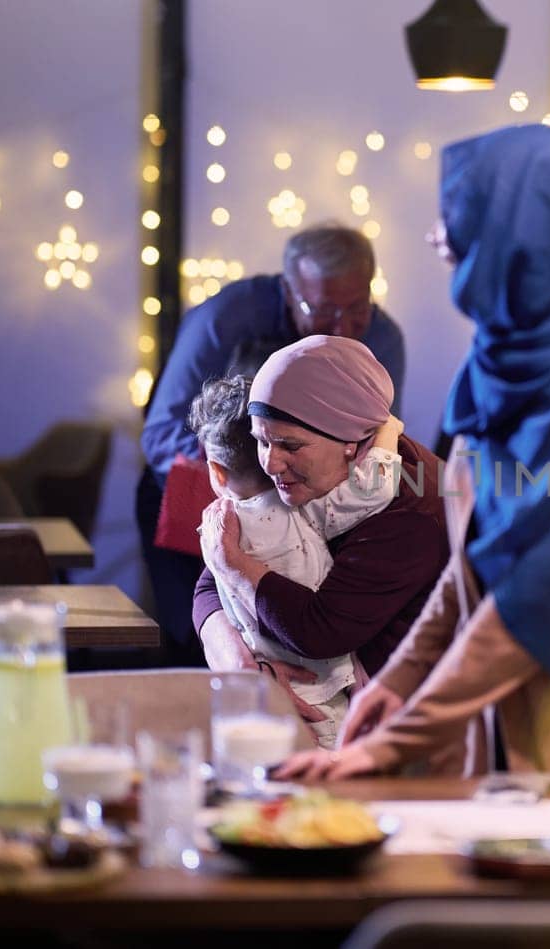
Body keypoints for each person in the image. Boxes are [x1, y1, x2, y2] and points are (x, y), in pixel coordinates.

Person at [277, 124, 550, 783]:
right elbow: (474, 565)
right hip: (512, 743)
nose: (442, 240)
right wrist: (401, 679)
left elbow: (537, 594)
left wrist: (397, 737)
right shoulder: (498, 369)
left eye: (464, 220)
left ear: (529, 238)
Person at [137, 224, 406, 665]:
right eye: (324, 310)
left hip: (316, 505)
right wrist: (250, 494)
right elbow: (162, 434)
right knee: (197, 645)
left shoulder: (384, 338)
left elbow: (379, 437)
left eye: (357, 308)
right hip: (205, 494)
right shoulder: (223, 319)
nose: (343, 327)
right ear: (288, 290)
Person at [194, 336, 447, 709]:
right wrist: (240, 663)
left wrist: (232, 564)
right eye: (261, 442)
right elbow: (209, 584)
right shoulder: (310, 476)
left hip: (406, 723)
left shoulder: (408, 511)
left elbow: (320, 630)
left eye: (290, 446)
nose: (270, 463)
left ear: (351, 440)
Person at [188, 375, 403, 748]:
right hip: (321, 691)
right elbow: (376, 487)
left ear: (216, 471)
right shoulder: (304, 507)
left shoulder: (216, 529)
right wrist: (388, 427)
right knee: (325, 775)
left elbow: (206, 589)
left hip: (261, 683)